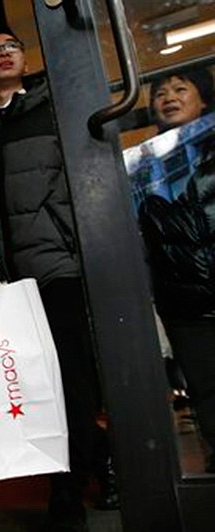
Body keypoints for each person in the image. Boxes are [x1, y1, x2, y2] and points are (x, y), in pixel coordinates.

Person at [0, 25, 116, 531]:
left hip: (59, 266)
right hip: (11, 279)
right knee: (32, 382)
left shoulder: (54, 112)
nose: (4, 53)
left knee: (72, 379)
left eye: (11, 46)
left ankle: (67, 490)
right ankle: (101, 456)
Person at [140, 67, 215, 474]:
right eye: (160, 92)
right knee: (207, 392)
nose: (168, 96)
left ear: (203, 99)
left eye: (180, 89)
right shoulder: (146, 164)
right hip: (184, 296)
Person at [150, 68, 213, 133]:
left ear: (202, 100)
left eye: (180, 89)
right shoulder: (155, 143)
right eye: (161, 94)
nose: (169, 99)